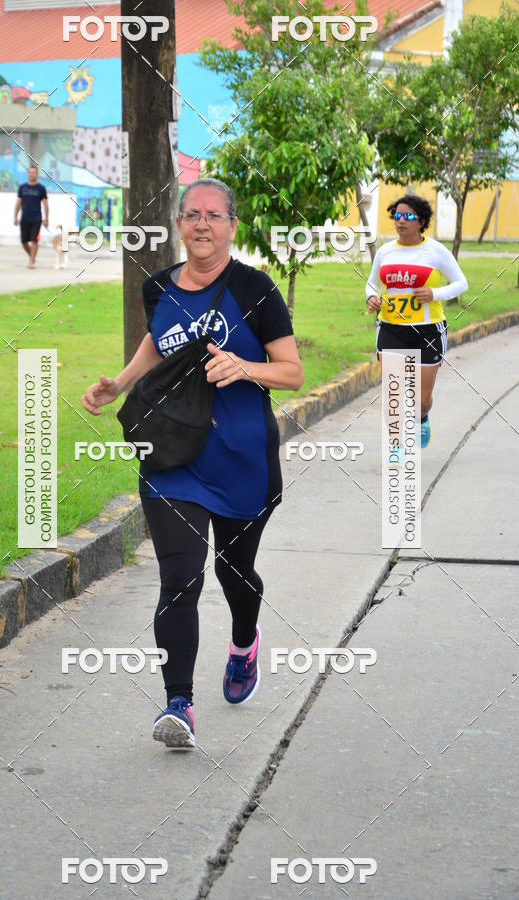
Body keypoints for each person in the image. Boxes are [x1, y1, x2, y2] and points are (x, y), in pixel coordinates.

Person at [81, 178, 304, 748]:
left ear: (232, 226)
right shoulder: (157, 288)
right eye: (191, 215)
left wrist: (244, 368)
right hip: (174, 452)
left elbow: (291, 372)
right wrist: (121, 384)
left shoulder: (256, 289)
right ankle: (178, 703)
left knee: (235, 572)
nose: (201, 224)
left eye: (214, 215)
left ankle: (244, 641)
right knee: (179, 577)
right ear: (179, 224)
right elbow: (159, 343)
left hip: (242, 456)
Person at [365, 194, 468, 448]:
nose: (401, 221)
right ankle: (397, 448)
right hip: (391, 328)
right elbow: (371, 282)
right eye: (397, 216)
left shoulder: (435, 251)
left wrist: (435, 294)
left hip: (427, 331)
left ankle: (422, 417)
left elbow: (461, 283)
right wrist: (371, 297)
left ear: (421, 221)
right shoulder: (386, 251)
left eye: (408, 216)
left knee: (420, 399)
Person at [14, 165, 48, 268]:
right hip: (24, 218)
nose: (32, 174)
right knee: (24, 241)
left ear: (37, 174)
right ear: (28, 174)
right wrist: (15, 216)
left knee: (34, 240)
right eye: (30, 172)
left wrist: (46, 218)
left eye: (34, 172)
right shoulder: (22, 188)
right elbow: (18, 203)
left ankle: (31, 261)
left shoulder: (41, 188)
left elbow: (46, 204)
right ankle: (32, 257)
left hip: (36, 218)